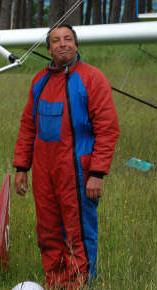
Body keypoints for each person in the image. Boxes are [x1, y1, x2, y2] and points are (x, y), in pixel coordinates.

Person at [13, 23, 119, 289]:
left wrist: (97, 173)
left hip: (78, 172)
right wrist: (21, 168)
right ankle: (55, 281)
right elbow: (28, 126)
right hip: (44, 172)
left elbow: (107, 129)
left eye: (68, 39)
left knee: (78, 233)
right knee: (48, 232)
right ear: (49, 48)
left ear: (76, 44)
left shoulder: (92, 78)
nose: (63, 44)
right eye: (57, 40)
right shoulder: (39, 80)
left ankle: (80, 283)